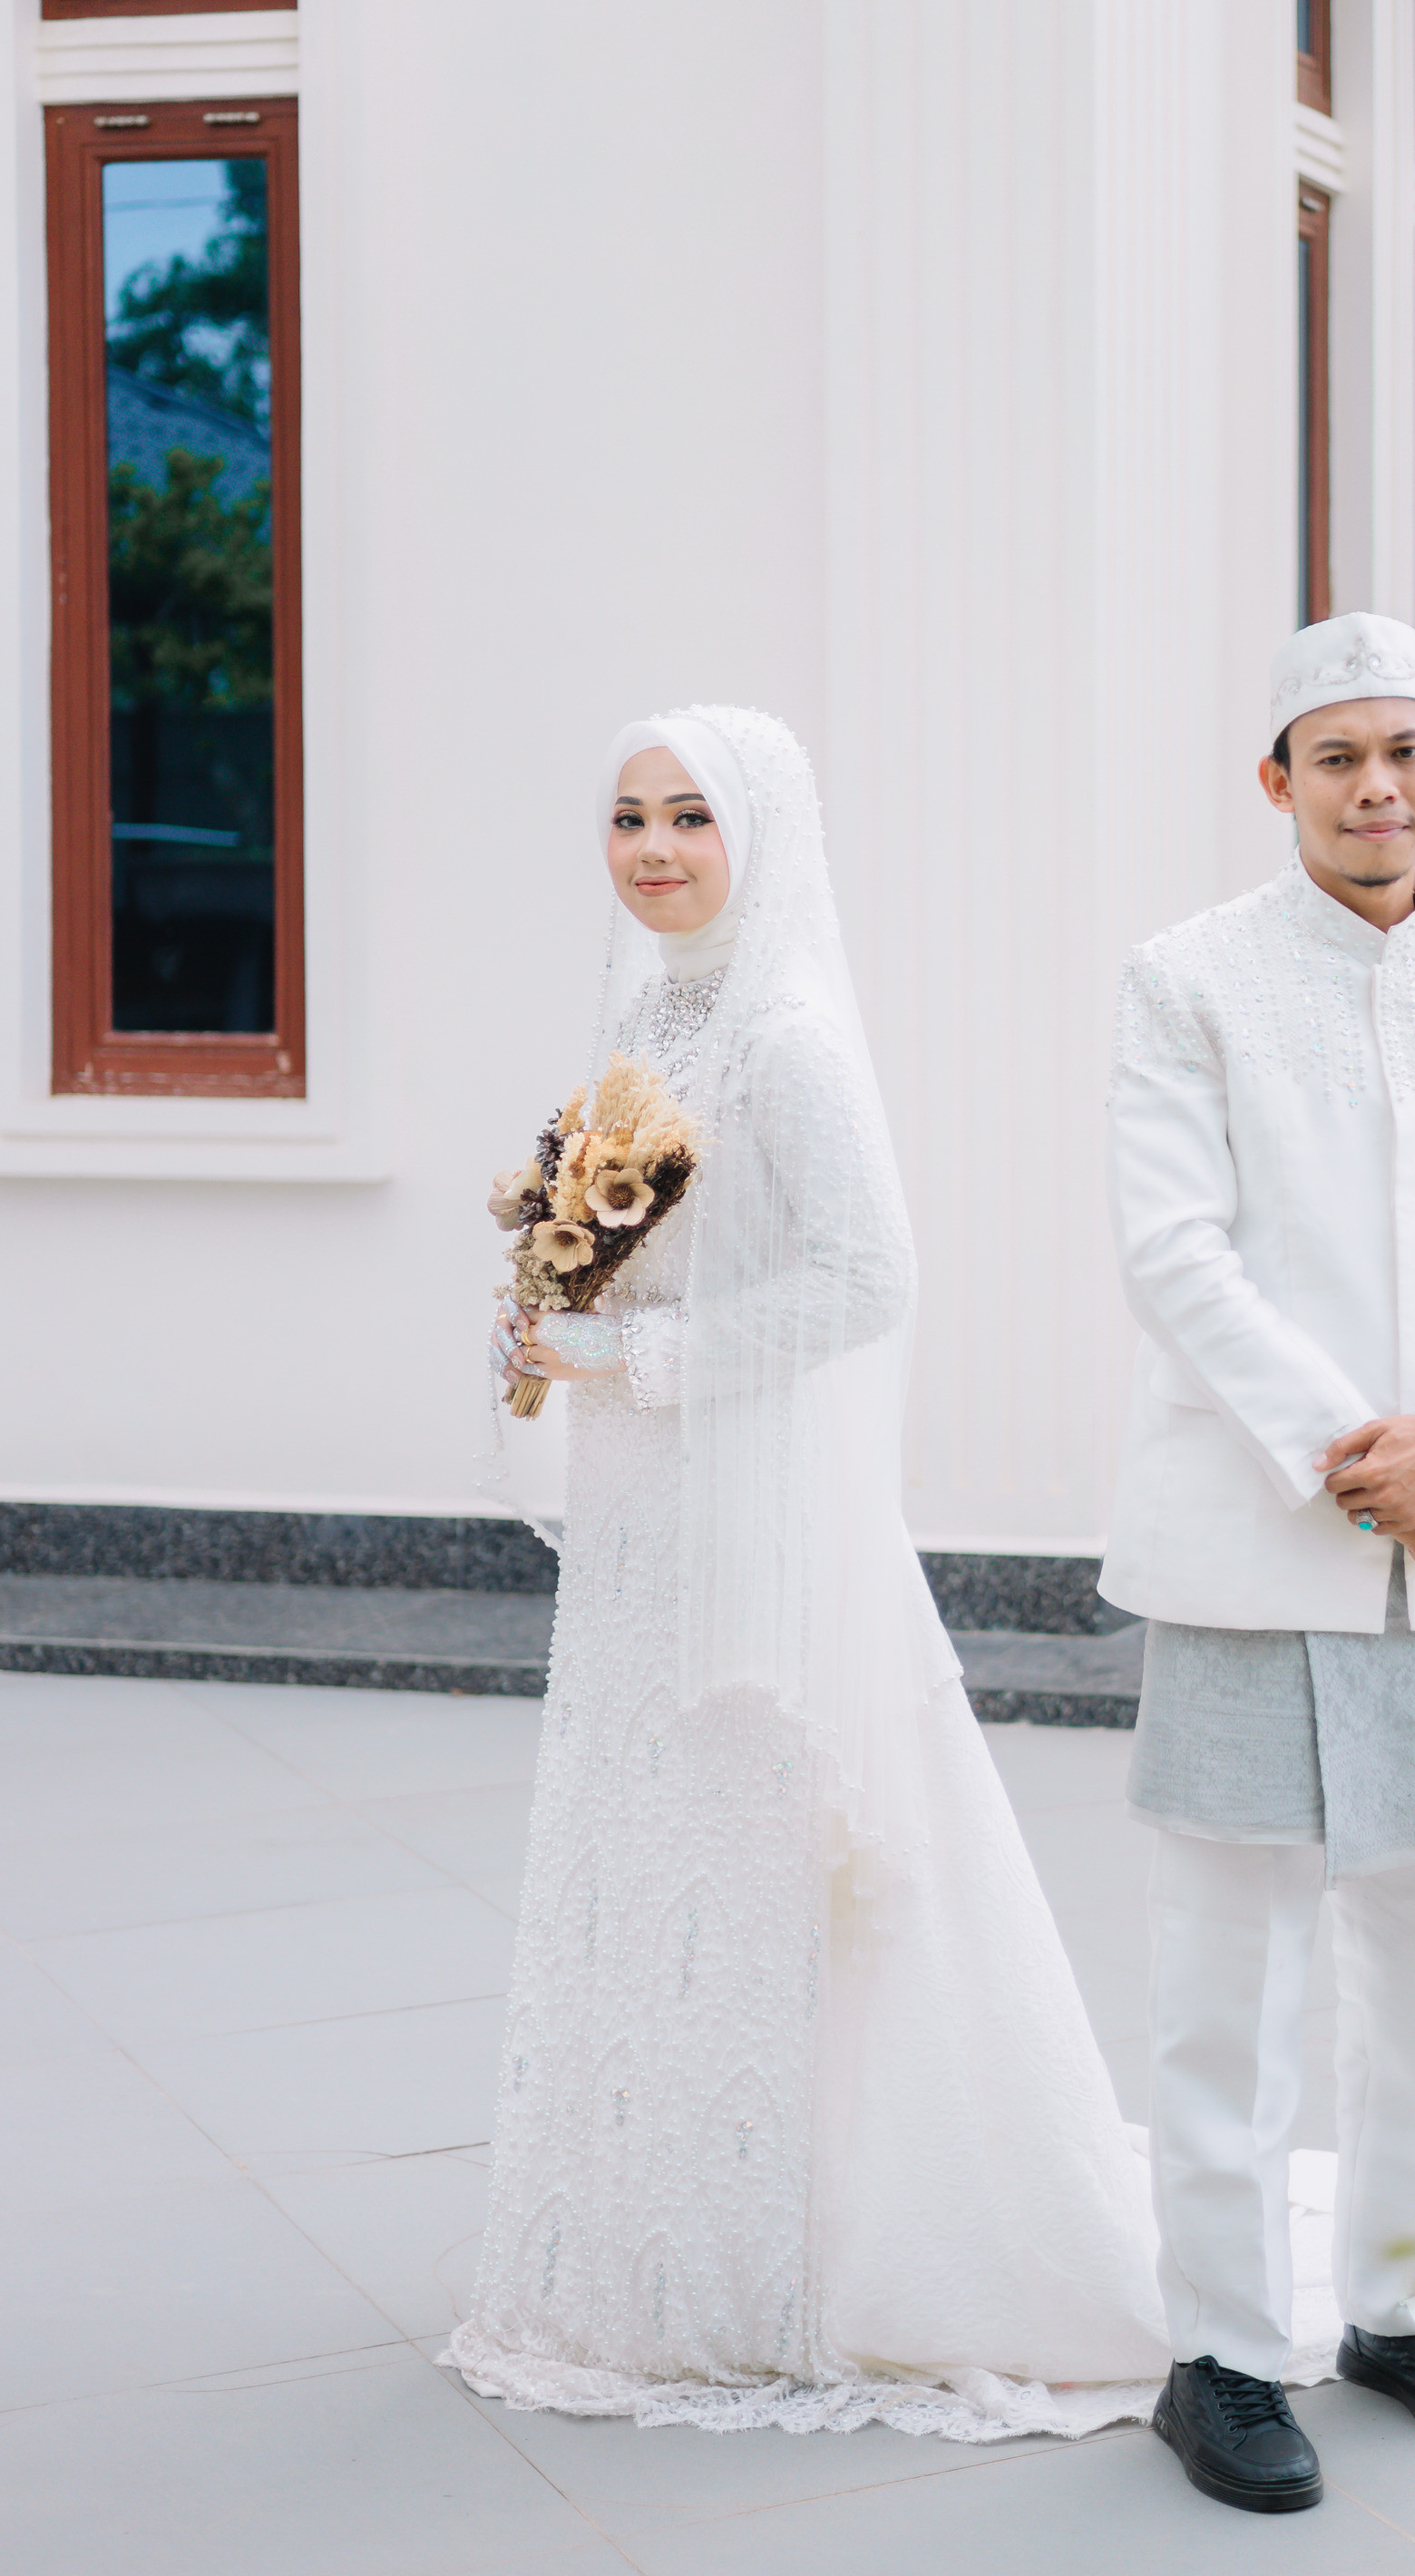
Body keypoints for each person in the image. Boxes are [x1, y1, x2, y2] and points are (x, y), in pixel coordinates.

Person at [446, 706, 1167, 2437]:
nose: (653, 848)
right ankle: (643, 2242)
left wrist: (642, 1353)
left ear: (759, 836)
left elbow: (868, 1276)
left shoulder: (785, 1037)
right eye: (629, 815)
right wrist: (559, 1306)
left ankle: (796, 2253)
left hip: (749, 1505)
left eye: (692, 816)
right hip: (642, 1508)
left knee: (757, 1848)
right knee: (649, 1840)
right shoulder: (652, 1013)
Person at [1102, 612, 1415, 2513]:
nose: (1374, 786)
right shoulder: (1188, 980)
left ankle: (1399, 2306)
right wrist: (1365, 1456)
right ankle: (1225, 2350)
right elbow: (1175, 1250)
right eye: (1335, 757)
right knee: (1223, 1972)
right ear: (1277, 782)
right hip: (1257, 1542)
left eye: (1404, 750)